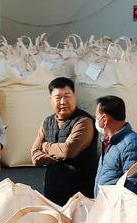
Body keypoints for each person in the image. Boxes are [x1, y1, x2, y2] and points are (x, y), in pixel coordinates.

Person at [31, 76, 97, 205]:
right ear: (51, 99)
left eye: (67, 96)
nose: (63, 101)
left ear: (74, 96)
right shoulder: (47, 122)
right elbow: (34, 155)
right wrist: (58, 157)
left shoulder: (84, 121)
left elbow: (68, 151)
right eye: (58, 97)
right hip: (52, 191)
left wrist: (45, 147)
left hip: (80, 194)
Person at [93, 94, 137, 199]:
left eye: (97, 117)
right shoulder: (109, 142)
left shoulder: (132, 146)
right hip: (105, 209)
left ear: (105, 120)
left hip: (118, 211)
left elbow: (136, 189)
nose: (96, 121)